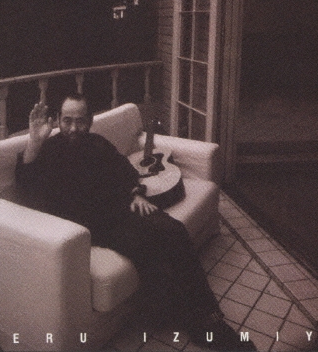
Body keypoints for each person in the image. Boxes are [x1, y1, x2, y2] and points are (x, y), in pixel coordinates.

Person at [15, 93, 256, 351]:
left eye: (80, 121)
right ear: (57, 120)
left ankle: (203, 318)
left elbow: (125, 170)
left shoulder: (98, 143)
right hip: (93, 228)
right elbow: (26, 184)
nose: (74, 128)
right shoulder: (49, 150)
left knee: (174, 231)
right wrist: (34, 140)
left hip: (122, 210)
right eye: (67, 120)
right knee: (159, 243)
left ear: (90, 120)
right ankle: (207, 326)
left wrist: (136, 193)